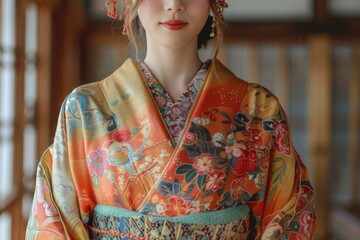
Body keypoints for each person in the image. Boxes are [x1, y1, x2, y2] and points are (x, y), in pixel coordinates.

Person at [26, 0, 316, 239]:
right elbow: (57, 221)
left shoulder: (259, 110)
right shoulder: (84, 108)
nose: (174, 5)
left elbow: (287, 216)